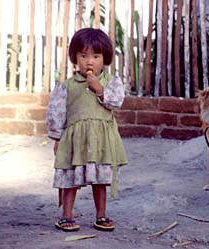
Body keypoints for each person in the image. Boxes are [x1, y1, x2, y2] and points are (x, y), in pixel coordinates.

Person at [46, 28, 127, 232]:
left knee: (100, 179)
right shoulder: (67, 86)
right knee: (70, 177)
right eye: (83, 56)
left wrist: (99, 88)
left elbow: (115, 102)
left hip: (101, 141)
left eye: (96, 56)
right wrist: (57, 138)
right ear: (75, 58)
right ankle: (66, 216)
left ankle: (101, 215)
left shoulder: (112, 83)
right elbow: (56, 112)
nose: (89, 62)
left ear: (105, 59)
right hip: (75, 140)